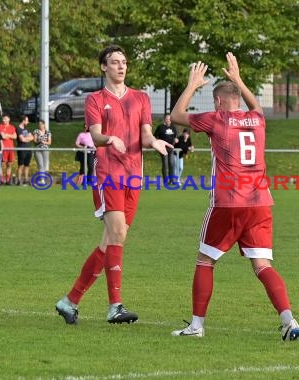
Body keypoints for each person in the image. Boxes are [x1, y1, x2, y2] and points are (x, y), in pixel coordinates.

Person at [169, 53, 299, 341]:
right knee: (263, 265)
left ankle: (196, 326)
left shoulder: (218, 120)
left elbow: (177, 117)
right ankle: (289, 320)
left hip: (229, 201)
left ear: (218, 102)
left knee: (205, 260)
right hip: (261, 202)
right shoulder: (257, 118)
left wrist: (192, 85)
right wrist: (239, 80)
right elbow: (255, 105)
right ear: (239, 99)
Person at [55, 45, 172, 325]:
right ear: (103, 67)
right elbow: (95, 136)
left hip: (134, 176)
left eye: (124, 62)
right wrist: (110, 139)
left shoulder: (141, 98)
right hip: (108, 174)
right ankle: (114, 306)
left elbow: (144, 136)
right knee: (116, 233)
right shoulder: (95, 99)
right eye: (115, 62)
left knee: (112, 241)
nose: (121, 66)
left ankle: (69, 301)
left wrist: (154, 141)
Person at [154, 114, 178, 184]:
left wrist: (176, 139)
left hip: (171, 148)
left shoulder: (173, 128)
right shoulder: (160, 127)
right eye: (167, 119)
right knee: (165, 164)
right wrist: (157, 144)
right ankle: (166, 180)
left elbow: (175, 136)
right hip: (163, 149)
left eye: (170, 119)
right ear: (165, 120)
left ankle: (172, 180)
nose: (169, 121)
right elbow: (155, 136)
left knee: (172, 163)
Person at [0, 114, 17, 185]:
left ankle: (8, 180)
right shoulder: (0, 126)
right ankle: (1, 179)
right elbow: (2, 136)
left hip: (11, 148)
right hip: (3, 148)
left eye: (5, 119)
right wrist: (10, 136)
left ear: (9, 119)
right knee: (2, 164)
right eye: (3, 119)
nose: (4, 120)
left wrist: (7, 135)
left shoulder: (12, 127)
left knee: (9, 164)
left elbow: (15, 136)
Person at [16, 115, 34, 186]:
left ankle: (26, 180)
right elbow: (21, 139)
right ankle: (19, 180)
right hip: (22, 149)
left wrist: (26, 139)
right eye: (27, 120)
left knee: (27, 165)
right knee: (21, 165)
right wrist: (27, 138)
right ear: (23, 121)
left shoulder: (27, 129)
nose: (28, 122)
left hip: (28, 149)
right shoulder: (18, 129)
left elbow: (32, 137)